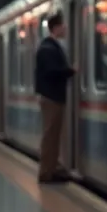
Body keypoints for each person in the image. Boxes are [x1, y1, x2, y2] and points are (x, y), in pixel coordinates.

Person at [35, 11, 76, 183]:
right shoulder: (48, 48)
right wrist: (70, 70)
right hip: (51, 97)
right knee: (50, 136)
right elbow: (51, 72)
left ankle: (53, 168)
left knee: (53, 135)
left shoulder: (50, 46)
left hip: (53, 96)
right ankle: (46, 173)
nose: (65, 28)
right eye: (63, 26)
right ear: (56, 28)